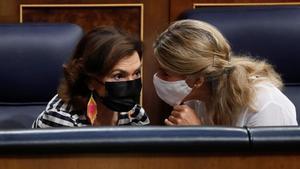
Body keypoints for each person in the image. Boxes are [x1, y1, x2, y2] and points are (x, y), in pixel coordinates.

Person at [152, 19, 297, 126]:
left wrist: (197, 135)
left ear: (197, 81)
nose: (157, 78)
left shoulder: (265, 106)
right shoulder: (194, 101)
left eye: (165, 73)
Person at [33, 26, 150, 128]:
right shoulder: (61, 118)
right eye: (118, 76)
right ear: (90, 80)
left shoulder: (134, 113)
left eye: (136, 73)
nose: (131, 83)